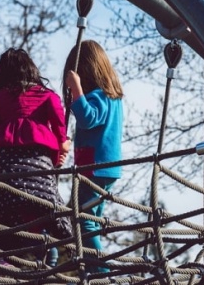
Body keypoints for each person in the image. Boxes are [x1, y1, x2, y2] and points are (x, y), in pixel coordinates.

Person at [0, 47, 72, 259]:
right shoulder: (49, 97)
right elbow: (60, 130)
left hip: (3, 175)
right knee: (43, 218)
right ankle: (46, 263)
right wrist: (62, 148)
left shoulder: (0, 99)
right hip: (38, 177)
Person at [63, 40, 124, 274]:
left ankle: (100, 272)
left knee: (83, 220)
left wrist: (77, 90)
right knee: (91, 221)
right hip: (104, 168)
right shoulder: (113, 97)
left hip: (94, 168)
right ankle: (91, 268)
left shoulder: (99, 96)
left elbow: (88, 118)